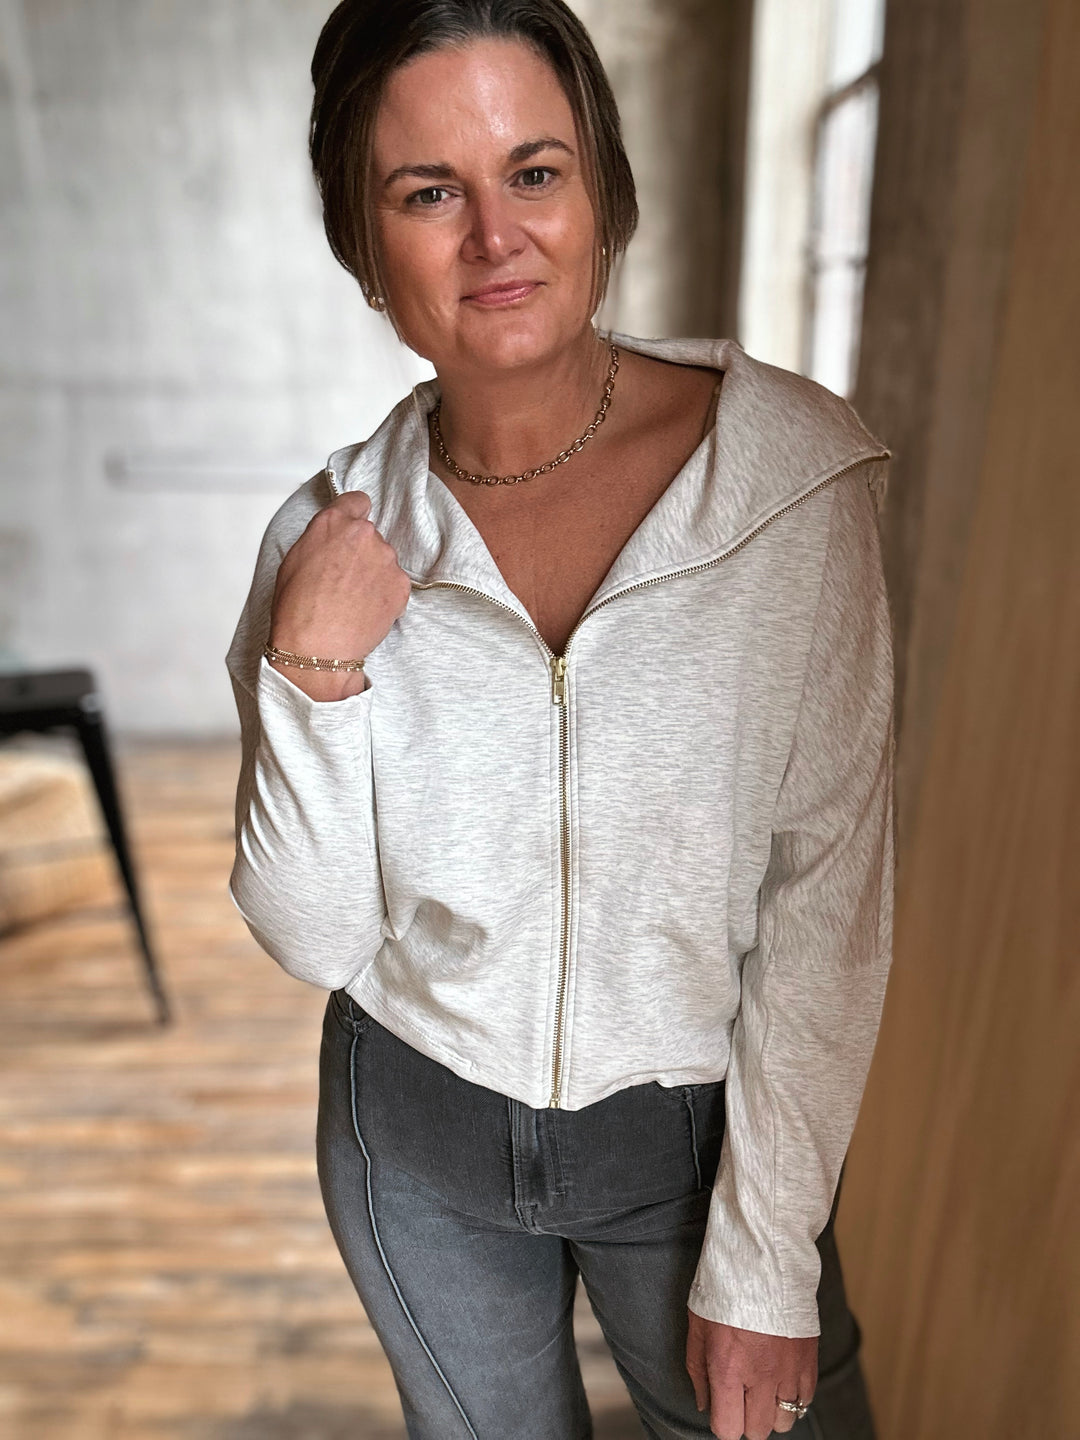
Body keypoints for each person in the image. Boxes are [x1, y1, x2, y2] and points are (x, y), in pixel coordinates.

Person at [225, 3, 896, 1438]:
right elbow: (317, 937)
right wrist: (314, 671)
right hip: (415, 1138)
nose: (495, 237)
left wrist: (767, 1258)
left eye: (534, 172)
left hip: (695, 1145)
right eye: (428, 193)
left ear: (602, 190)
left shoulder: (788, 485)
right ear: (362, 243)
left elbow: (827, 896)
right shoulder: (327, 540)